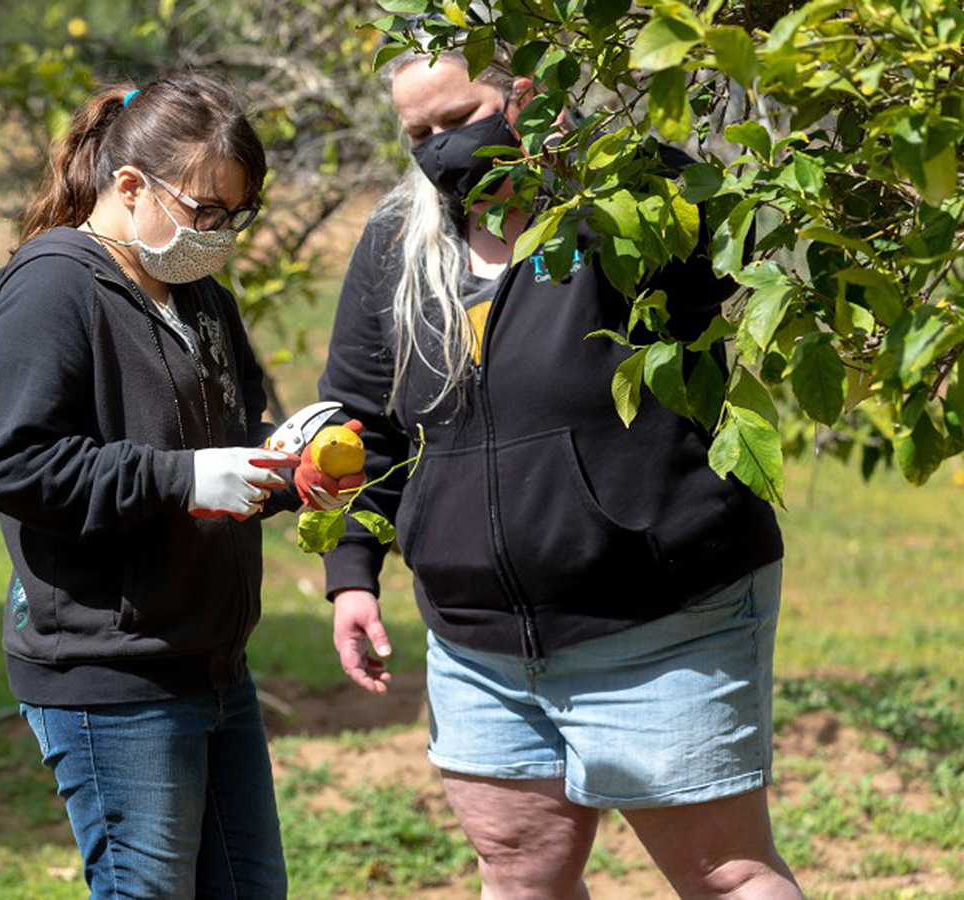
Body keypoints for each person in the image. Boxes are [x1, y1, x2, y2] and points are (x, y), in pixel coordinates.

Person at [315, 35, 803, 900]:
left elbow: (739, 242)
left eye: (459, 118)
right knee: (518, 871)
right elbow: (363, 422)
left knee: (725, 875)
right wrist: (352, 571)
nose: (439, 148)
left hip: (658, 618)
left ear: (526, 96)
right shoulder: (399, 242)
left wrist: (600, 155)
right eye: (417, 133)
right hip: (476, 642)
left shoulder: (623, 200)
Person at [0, 75, 296, 898]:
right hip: (112, 671)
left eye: (238, 214)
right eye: (207, 210)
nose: (222, 234)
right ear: (129, 186)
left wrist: (287, 468)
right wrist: (184, 479)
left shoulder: (200, 295)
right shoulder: (51, 287)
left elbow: (217, 449)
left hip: (212, 659)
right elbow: (15, 463)